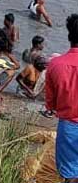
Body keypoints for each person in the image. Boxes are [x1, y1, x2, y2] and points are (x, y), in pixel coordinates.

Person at [45, 14, 78, 182]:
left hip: (69, 127)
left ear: (69, 36)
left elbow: (50, 104)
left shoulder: (55, 64)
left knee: (70, 174)